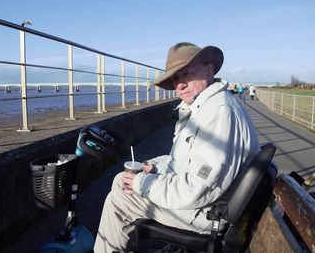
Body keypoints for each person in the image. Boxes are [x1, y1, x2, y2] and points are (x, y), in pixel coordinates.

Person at [94, 42, 260, 252]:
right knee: (124, 181)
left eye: (186, 74)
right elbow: (183, 160)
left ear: (209, 69)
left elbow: (200, 189)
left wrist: (143, 183)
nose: (179, 85)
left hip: (208, 213)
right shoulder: (205, 107)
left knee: (119, 197)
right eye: (175, 78)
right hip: (211, 203)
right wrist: (152, 166)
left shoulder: (218, 113)